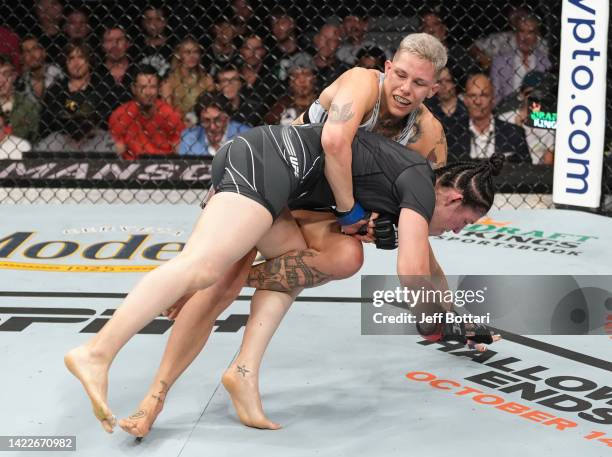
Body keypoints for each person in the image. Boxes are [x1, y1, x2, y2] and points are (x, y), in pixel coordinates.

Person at [65, 118, 504, 435]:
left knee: (304, 265)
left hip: (283, 193)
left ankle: (224, 378)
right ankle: (97, 352)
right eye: (463, 222)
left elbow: (428, 267)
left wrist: (456, 320)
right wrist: (432, 320)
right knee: (204, 272)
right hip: (264, 165)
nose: (456, 232)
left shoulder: (412, 185)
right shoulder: (417, 182)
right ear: (453, 196)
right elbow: (411, 273)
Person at [116, 32, 452, 436]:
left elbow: (414, 218)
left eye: (419, 83)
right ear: (387, 68)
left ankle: (242, 366)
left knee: (345, 257)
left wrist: (447, 310)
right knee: (218, 287)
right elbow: (332, 142)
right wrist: (351, 212)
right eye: (400, 75)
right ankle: (154, 396)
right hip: (272, 184)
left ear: (434, 88)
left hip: (318, 209)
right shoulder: (361, 84)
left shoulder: (428, 136)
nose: (405, 89)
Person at [446, 73, 529, 163]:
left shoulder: (514, 133)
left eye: (483, 95)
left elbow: (527, 171)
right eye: (472, 96)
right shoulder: (451, 134)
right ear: (465, 100)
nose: (477, 101)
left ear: (493, 99)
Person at [108, 65, 184, 160]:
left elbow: (180, 152)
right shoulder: (120, 115)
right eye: (143, 87)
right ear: (134, 89)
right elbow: (117, 153)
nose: (148, 92)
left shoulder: (171, 115)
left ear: (159, 89)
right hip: (131, 168)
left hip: (164, 166)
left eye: (152, 87)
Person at [490, 14, 551, 104]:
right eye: (522, 31)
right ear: (516, 34)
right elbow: (495, 97)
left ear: (537, 36)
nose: (525, 38)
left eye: (530, 32)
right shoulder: (499, 62)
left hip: (536, 112)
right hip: (506, 112)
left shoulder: (546, 63)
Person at [160, 37, 214, 125]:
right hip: (178, 126)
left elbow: (213, 108)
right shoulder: (169, 82)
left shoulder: (207, 79)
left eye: (195, 52)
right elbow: (166, 113)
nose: (192, 56)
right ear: (178, 54)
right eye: (187, 52)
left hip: (204, 125)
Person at [178, 92, 250, 156]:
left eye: (218, 120)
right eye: (206, 120)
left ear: (227, 118)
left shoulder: (246, 136)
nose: (212, 127)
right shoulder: (188, 137)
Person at [0, 55, 41, 143]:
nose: (1, 80)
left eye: (6, 74)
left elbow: (35, 141)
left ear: (14, 76)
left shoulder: (29, 106)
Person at [264, 61, 317, 125]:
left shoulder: (322, 103)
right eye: (296, 76)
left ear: (314, 78)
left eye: (306, 75)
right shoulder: (282, 104)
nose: (302, 81)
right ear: (290, 81)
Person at [17, 35, 64, 104]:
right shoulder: (21, 82)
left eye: (34, 48)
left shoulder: (57, 73)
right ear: (22, 58)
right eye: (27, 51)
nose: (31, 54)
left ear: (44, 52)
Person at [425, 67, 468, 134]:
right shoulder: (428, 109)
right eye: (439, 82)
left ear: (455, 83)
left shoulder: (466, 108)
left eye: (448, 81)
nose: (443, 86)